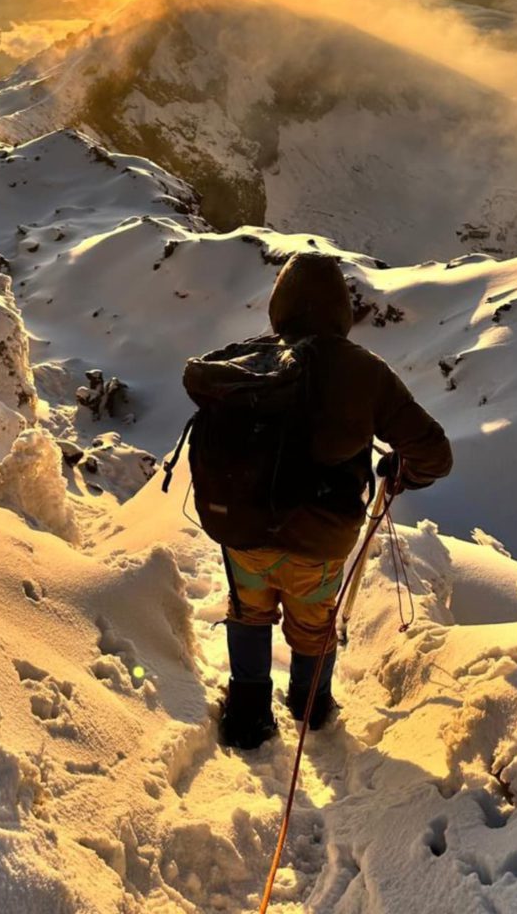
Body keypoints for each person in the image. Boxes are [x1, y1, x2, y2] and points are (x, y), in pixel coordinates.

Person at [220, 252, 453, 749]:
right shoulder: (363, 371)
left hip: (242, 532)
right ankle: (311, 710)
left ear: (279, 305)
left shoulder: (247, 358)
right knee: (311, 625)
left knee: (249, 612)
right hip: (319, 538)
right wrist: (402, 472)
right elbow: (434, 454)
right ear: (340, 311)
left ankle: (247, 716)